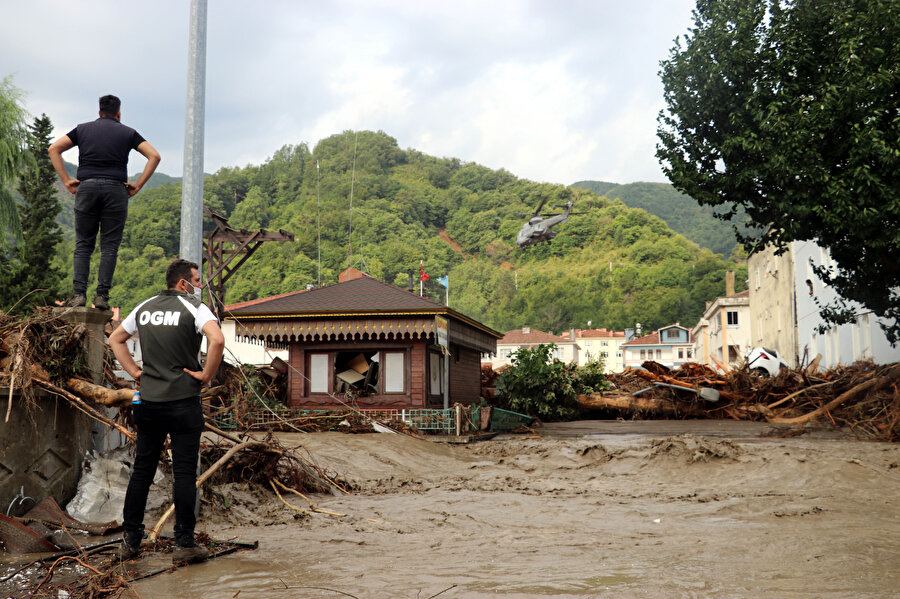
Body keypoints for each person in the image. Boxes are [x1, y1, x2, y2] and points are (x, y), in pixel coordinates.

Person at [109, 259, 224, 563]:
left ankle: (130, 541)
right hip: (184, 401)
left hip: (148, 402)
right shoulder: (194, 308)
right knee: (184, 473)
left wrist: (134, 371)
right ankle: (184, 544)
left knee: (143, 470)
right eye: (197, 281)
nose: (200, 286)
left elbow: (115, 339)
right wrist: (206, 375)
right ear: (183, 283)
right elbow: (218, 340)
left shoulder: (144, 307)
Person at [49, 94, 160, 310]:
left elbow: (54, 149)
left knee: (83, 244)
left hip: (86, 188)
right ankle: (102, 297)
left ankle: (79, 295)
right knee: (109, 246)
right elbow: (154, 156)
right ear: (119, 113)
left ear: (99, 112)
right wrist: (137, 185)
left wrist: (66, 181)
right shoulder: (128, 132)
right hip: (116, 190)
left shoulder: (82, 129)